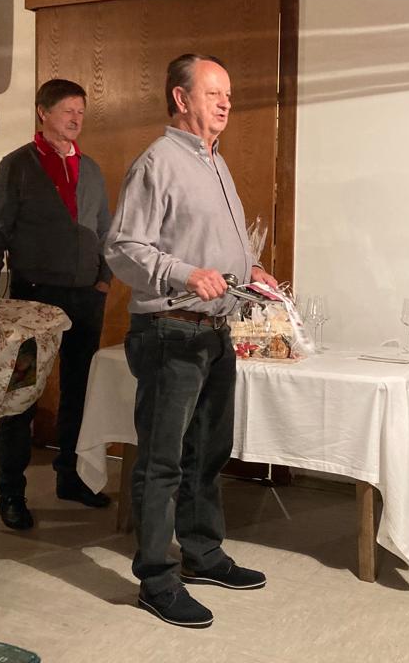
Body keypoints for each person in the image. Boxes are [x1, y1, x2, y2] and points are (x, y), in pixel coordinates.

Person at [105, 54, 277, 629]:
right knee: (163, 461)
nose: (226, 103)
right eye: (213, 93)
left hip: (216, 329)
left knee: (207, 453)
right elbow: (123, 248)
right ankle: (156, 580)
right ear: (181, 99)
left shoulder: (215, 161)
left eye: (228, 94)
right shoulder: (157, 162)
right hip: (171, 331)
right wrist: (183, 274)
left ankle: (202, 554)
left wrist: (251, 270)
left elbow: (211, 241)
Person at [0, 79, 113, 530]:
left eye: (81, 112)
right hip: (31, 300)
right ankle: (10, 492)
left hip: (85, 299)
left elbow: (105, 230)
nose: (76, 119)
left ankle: (71, 477)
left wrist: (104, 279)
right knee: (20, 395)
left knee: (80, 391)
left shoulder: (91, 168)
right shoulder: (17, 165)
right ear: (43, 112)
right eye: (67, 110)